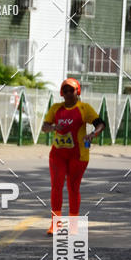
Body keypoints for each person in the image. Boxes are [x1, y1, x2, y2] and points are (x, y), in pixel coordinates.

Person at [41, 78, 105, 233]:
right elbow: (45, 127)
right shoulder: (56, 108)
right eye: (66, 90)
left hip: (78, 155)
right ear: (62, 93)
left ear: (78, 91)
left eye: (72, 90)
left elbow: (100, 123)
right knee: (56, 187)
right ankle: (55, 224)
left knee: (73, 188)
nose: (69, 93)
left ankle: (74, 225)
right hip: (57, 155)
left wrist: (93, 134)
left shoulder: (84, 108)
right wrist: (55, 126)